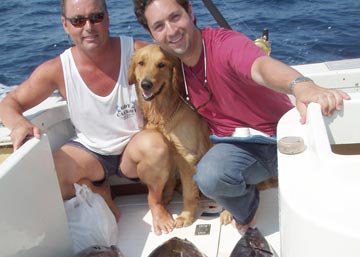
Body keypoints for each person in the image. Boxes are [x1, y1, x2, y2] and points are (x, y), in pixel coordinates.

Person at [133, 0, 351, 231]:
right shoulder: (175, 68)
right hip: (236, 146)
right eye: (159, 26)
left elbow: (260, 66)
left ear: (190, 11)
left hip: (278, 142)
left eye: (175, 17)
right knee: (209, 177)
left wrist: (299, 85)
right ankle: (247, 208)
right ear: (151, 34)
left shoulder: (225, 44)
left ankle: (255, 202)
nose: (171, 30)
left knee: (209, 176)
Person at [0, 0, 176, 236]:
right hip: (91, 151)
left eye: (96, 17)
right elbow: (9, 103)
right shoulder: (58, 69)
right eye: (78, 20)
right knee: (46, 175)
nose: (88, 27)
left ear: (108, 18)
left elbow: (179, 72)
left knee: (156, 147)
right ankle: (98, 193)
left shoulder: (139, 53)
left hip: (135, 149)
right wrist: (19, 124)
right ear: (65, 25)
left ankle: (155, 203)